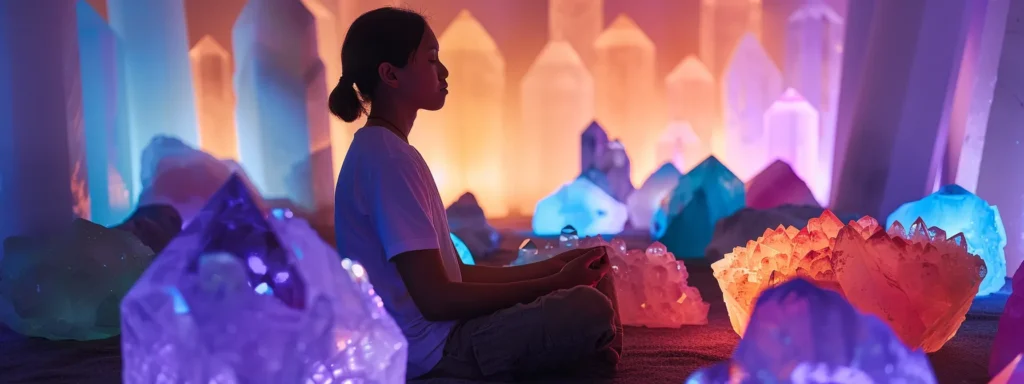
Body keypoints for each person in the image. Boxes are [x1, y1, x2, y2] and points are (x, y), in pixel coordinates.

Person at [330, 7, 623, 381]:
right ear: (390, 74)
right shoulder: (387, 160)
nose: (444, 71)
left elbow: (457, 275)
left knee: (594, 275)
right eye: (432, 59)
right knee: (588, 309)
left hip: (446, 332)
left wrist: (555, 269)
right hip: (434, 352)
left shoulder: (390, 150)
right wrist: (554, 284)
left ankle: (580, 360)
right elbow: (437, 300)